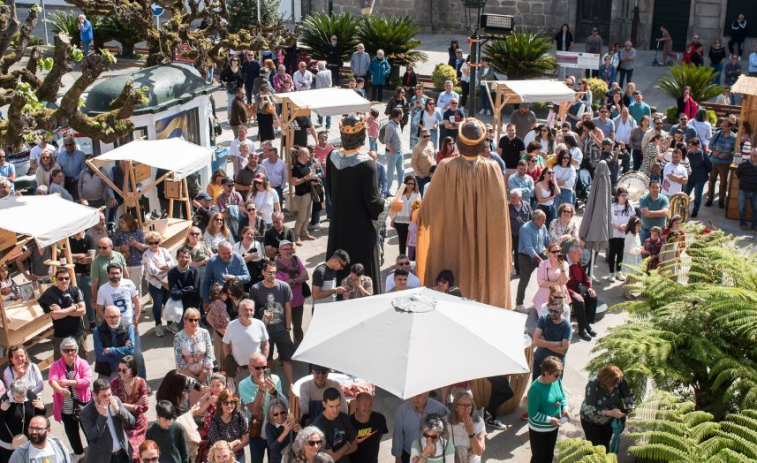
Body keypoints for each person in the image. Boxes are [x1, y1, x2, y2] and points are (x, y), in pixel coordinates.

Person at [326, 114, 385, 294]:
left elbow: (330, 190)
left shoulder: (332, 157)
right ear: (362, 135)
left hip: (338, 226)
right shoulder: (367, 164)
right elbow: (373, 205)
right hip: (360, 232)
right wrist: (391, 203)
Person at [249, 260, 295, 386]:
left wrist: (288, 327)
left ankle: (291, 385)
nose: (272, 275)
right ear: (263, 272)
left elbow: (288, 308)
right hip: (265, 333)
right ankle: (271, 385)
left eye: (275, 273)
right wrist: (262, 317)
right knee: (267, 361)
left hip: (282, 330)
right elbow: (252, 312)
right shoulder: (255, 289)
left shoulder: (284, 286)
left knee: (287, 359)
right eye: (269, 272)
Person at [238, 352, 283, 463]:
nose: (262, 371)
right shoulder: (243, 385)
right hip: (256, 431)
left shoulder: (275, 379)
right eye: (258, 368)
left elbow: (279, 406)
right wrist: (262, 389)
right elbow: (254, 410)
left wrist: (273, 391)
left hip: (274, 429)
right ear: (250, 369)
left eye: (264, 367)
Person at [580, 365, 634, 451]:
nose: (614, 387)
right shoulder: (593, 384)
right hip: (590, 421)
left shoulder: (618, 380)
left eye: (616, 385)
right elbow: (589, 408)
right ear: (604, 381)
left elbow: (628, 395)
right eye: (611, 385)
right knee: (594, 448)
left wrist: (629, 407)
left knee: (604, 446)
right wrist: (609, 412)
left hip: (609, 421)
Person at [80, 377, 134, 463]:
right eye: (104, 396)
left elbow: (131, 422)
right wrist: (102, 416)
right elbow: (93, 437)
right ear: (94, 394)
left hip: (124, 453)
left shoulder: (115, 400)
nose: (108, 398)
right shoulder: (86, 412)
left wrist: (119, 411)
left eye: (109, 394)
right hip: (106, 458)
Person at [38, 267, 86, 360]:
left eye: (66, 278)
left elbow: (83, 311)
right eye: (60, 278)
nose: (64, 281)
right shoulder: (49, 293)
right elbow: (55, 316)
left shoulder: (75, 290)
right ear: (56, 279)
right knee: (61, 367)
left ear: (70, 279)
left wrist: (62, 311)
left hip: (78, 334)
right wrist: (74, 307)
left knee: (81, 365)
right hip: (61, 336)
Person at [527, 356, 569, 463]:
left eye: (559, 374)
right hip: (539, 429)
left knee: (549, 455)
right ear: (546, 373)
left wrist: (565, 409)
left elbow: (563, 397)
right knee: (539, 457)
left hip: (553, 427)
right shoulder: (535, 389)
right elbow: (532, 413)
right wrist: (550, 420)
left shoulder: (556, 381)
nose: (558, 377)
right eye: (556, 375)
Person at [110, 356, 148, 463]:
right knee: (131, 454)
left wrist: (122, 405)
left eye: (124, 370)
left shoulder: (141, 383)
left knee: (138, 454)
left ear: (132, 370)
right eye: (119, 370)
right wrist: (136, 405)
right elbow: (114, 405)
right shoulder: (114, 383)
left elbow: (145, 407)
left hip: (139, 424)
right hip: (123, 422)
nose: (120, 373)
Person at [223, 300, 269, 386]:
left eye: (251, 310)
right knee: (241, 395)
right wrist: (230, 362)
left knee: (263, 393)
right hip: (239, 370)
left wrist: (263, 362)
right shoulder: (231, 326)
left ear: (254, 311)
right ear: (239, 311)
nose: (249, 312)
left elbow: (265, 344)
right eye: (245, 310)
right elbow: (226, 345)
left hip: (258, 369)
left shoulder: (260, 324)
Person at [392, 392, 448, 463]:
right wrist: (398, 457)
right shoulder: (402, 411)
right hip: (409, 454)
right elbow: (398, 435)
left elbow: (449, 429)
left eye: (419, 395)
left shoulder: (439, 409)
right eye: (412, 395)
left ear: (427, 393)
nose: (415, 399)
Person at [0, 379, 45, 463]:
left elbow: (39, 417)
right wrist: (2, 411)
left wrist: (42, 408)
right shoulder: (4, 399)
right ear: (12, 393)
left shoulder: (31, 396)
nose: (21, 399)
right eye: (18, 397)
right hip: (9, 440)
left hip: (28, 438)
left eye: (23, 396)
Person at [514, 209, 548, 312]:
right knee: (524, 281)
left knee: (549, 276)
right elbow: (529, 248)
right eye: (543, 220)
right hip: (526, 257)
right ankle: (519, 305)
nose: (544, 222)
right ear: (535, 219)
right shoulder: (525, 229)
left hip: (540, 254)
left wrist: (554, 249)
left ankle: (547, 301)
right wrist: (539, 260)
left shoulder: (543, 226)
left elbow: (547, 240)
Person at [141, 232, 175, 336]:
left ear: (159, 242)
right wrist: (166, 267)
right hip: (155, 284)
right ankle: (158, 325)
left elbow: (173, 264)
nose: (153, 245)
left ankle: (170, 324)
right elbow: (152, 270)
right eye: (151, 243)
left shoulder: (164, 251)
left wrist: (160, 267)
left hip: (167, 282)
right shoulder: (146, 254)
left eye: (156, 242)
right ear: (148, 243)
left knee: (168, 303)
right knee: (158, 304)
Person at [312, 387, 357, 463]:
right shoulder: (318, 426)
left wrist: (337, 455)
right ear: (324, 404)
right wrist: (347, 444)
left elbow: (355, 446)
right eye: (331, 406)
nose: (335, 410)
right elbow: (331, 458)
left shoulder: (344, 417)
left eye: (337, 405)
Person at [173, 307, 214, 391]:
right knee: (190, 401)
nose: (194, 322)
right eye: (191, 320)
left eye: (196, 320)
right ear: (185, 320)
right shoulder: (178, 337)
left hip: (205, 374)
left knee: (207, 398)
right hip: (187, 375)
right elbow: (179, 360)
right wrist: (193, 379)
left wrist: (203, 373)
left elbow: (209, 355)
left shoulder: (204, 333)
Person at [201, 241, 251, 307]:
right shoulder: (212, 262)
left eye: (229, 253)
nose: (227, 256)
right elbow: (206, 282)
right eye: (224, 254)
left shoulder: (239, 258)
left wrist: (235, 278)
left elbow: (248, 277)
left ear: (232, 250)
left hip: (235, 294)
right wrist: (206, 301)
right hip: (219, 296)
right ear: (218, 252)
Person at [566, 242, 598, 341]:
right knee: (579, 302)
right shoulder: (563, 263)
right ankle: (582, 329)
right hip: (568, 291)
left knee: (593, 297)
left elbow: (585, 276)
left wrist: (590, 287)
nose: (581, 257)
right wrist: (573, 293)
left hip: (580, 287)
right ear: (572, 253)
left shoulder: (576, 261)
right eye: (579, 255)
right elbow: (562, 284)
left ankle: (587, 324)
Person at [8, 415, 73, 463]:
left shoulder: (59, 446)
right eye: (31, 428)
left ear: (48, 430)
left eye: (38, 429)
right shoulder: (19, 455)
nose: (33, 432)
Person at [93, 306, 135, 380]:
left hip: (126, 369)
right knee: (103, 390)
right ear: (105, 317)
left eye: (115, 316)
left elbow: (131, 349)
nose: (113, 319)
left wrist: (110, 350)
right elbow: (100, 356)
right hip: (106, 371)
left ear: (120, 316)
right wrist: (122, 353)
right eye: (110, 317)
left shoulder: (128, 327)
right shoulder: (98, 331)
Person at [208, 389, 249, 462]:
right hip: (220, 459)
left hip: (239, 456)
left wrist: (230, 451)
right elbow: (217, 443)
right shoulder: (215, 419)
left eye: (232, 402)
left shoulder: (240, 415)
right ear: (220, 404)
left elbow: (245, 440)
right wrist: (236, 441)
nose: (229, 405)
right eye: (226, 403)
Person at [446, 391, 485, 463]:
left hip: (471, 460)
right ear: (455, 407)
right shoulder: (447, 421)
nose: (466, 409)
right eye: (463, 405)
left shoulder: (478, 422)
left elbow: (479, 452)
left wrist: (471, 432)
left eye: (469, 405)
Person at [349, 393, 388, 463]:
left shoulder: (380, 419)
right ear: (356, 404)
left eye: (370, 405)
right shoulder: (348, 422)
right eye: (365, 404)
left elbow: (379, 436)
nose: (368, 408)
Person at [707, 119, 737, 208]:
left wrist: (727, 154)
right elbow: (710, 145)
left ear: (730, 127)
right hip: (714, 161)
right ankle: (710, 199)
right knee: (711, 181)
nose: (723, 128)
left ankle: (721, 200)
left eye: (725, 126)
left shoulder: (734, 137)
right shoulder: (717, 133)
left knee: (723, 183)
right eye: (722, 126)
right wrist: (715, 151)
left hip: (725, 163)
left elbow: (735, 151)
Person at [265, 397, 299, 463]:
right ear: (271, 415)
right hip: (276, 460)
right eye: (276, 414)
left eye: (282, 412)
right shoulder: (269, 426)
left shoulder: (292, 421)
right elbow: (272, 448)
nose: (280, 416)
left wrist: (300, 431)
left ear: (285, 412)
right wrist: (285, 433)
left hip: (292, 459)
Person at [639, 180, 670, 244]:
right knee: (645, 250)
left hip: (661, 231)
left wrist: (650, 213)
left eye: (657, 187)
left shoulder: (664, 198)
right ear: (649, 188)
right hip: (647, 231)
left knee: (661, 251)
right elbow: (646, 214)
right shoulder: (643, 199)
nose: (655, 189)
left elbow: (665, 213)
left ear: (660, 188)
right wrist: (660, 213)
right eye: (653, 187)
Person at [735, 147, 757, 232]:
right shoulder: (743, 165)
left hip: (755, 191)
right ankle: (743, 223)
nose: (756, 157)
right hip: (743, 190)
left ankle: (754, 225)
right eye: (754, 155)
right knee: (742, 208)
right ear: (751, 155)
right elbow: (737, 174)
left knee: (756, 208)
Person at [623, 216, 644, 299]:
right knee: (630, 277)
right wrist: (639, 250)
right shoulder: (630, 236)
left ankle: (629, 292)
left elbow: (636, 245)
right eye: (638, 226)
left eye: (640, 226)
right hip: (631, 259)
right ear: (633, 225)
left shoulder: (636, 234)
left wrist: (640, 248)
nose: (639, 228)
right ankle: (626, 293)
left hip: (636, 258)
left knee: (633, 277)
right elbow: (628, 249)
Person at [411, 129, 436, 195]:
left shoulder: (431, 144)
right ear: (421, 137)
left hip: (431, 175)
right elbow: (413, 163)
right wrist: (420, 174)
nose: (427, 138)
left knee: (431, 195)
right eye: (425, 136)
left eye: (429, 136)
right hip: (422, 177)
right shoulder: (417, 148)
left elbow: (432, 157)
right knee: (423, 196)